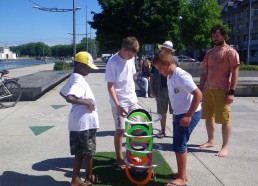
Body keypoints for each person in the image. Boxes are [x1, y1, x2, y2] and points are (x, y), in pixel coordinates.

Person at [152, 50, 202, 186]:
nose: (159, 71)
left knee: (180, 144)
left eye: (159, 68)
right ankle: (181, 174)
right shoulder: (169, 76)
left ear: (168, 63)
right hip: (180, 114)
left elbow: (198, 95)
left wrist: (188, 116)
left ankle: (181, 179)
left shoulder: (181, 75)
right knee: (177, 144)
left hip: (189, 114)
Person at [199, 25, 240, 157]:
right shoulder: (209, 53)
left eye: (217, 35)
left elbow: (235, 73)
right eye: (213, 35)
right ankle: (211, 140)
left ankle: (225, 146)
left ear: (223, 36)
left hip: (222, 90)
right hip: (208, 89)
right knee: (208, 116)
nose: (215, 38)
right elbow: (204, 72)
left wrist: (232, 92)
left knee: (224, 119)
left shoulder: (230, 52)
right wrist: (200, 89)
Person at [60, 51, 99, 186]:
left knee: (79, 153)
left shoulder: (73, 77)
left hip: (76, 122)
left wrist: (79, 102)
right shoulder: (80, 80)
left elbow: (63, 92)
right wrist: (87, 103)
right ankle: (88, 178)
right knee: (88, 152)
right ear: (80, 65)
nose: (89, 69)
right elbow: (70, 97)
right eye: (88, 66)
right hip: (85, 123)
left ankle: (75, 178)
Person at [105, 36, 140, 169]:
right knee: (120, 129)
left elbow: (131, 77)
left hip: (132, 100)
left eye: (133, 56)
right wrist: (118, 105)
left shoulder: (132, 58)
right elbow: (110, 86)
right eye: (129, 55)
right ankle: (119, 158)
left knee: (136, 129)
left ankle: (130, 154)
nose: (131, 58)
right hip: (119, 102)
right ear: (123, 49)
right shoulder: (113, 62)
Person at [150, 40, 178, 138]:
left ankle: (176, 131)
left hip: (173, 89)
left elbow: (178, 74)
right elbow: (152, 76)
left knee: (175, 111)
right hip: (161, 89)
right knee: (162, 111)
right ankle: (162, 131)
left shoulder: (175, 60)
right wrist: (152, 90)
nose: (166, 51)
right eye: (164, 49)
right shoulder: (157, 59)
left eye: (168, 50)